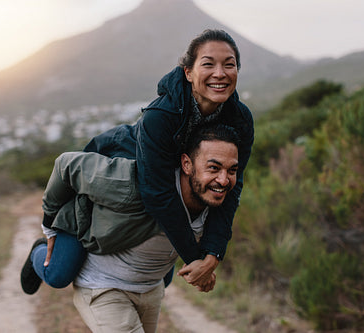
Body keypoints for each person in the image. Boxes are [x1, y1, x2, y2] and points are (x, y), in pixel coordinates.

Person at [21, 28, 253, 293]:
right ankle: (38, 253)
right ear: (188, 72)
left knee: (159, 280)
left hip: (158, 195)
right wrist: (197, 260)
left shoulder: (240, 120)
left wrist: (213, 253)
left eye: (229, 64)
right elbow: (159, 194)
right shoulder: (161, 116)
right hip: (125, 176)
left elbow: (232, 188)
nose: (220, 73)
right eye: (208, 64)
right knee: (60, 273)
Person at [26, 124, 240, 333]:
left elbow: (210, 241)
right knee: (57, 275)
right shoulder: (133, 183)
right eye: (213, 167)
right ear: (186, 164)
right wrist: (49, 226)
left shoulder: (220, 203)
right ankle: (39, 252)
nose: (223, 179)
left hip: (150, 287)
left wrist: (207, 263)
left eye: (232, 170)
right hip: (102, 283)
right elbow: (66, 165)